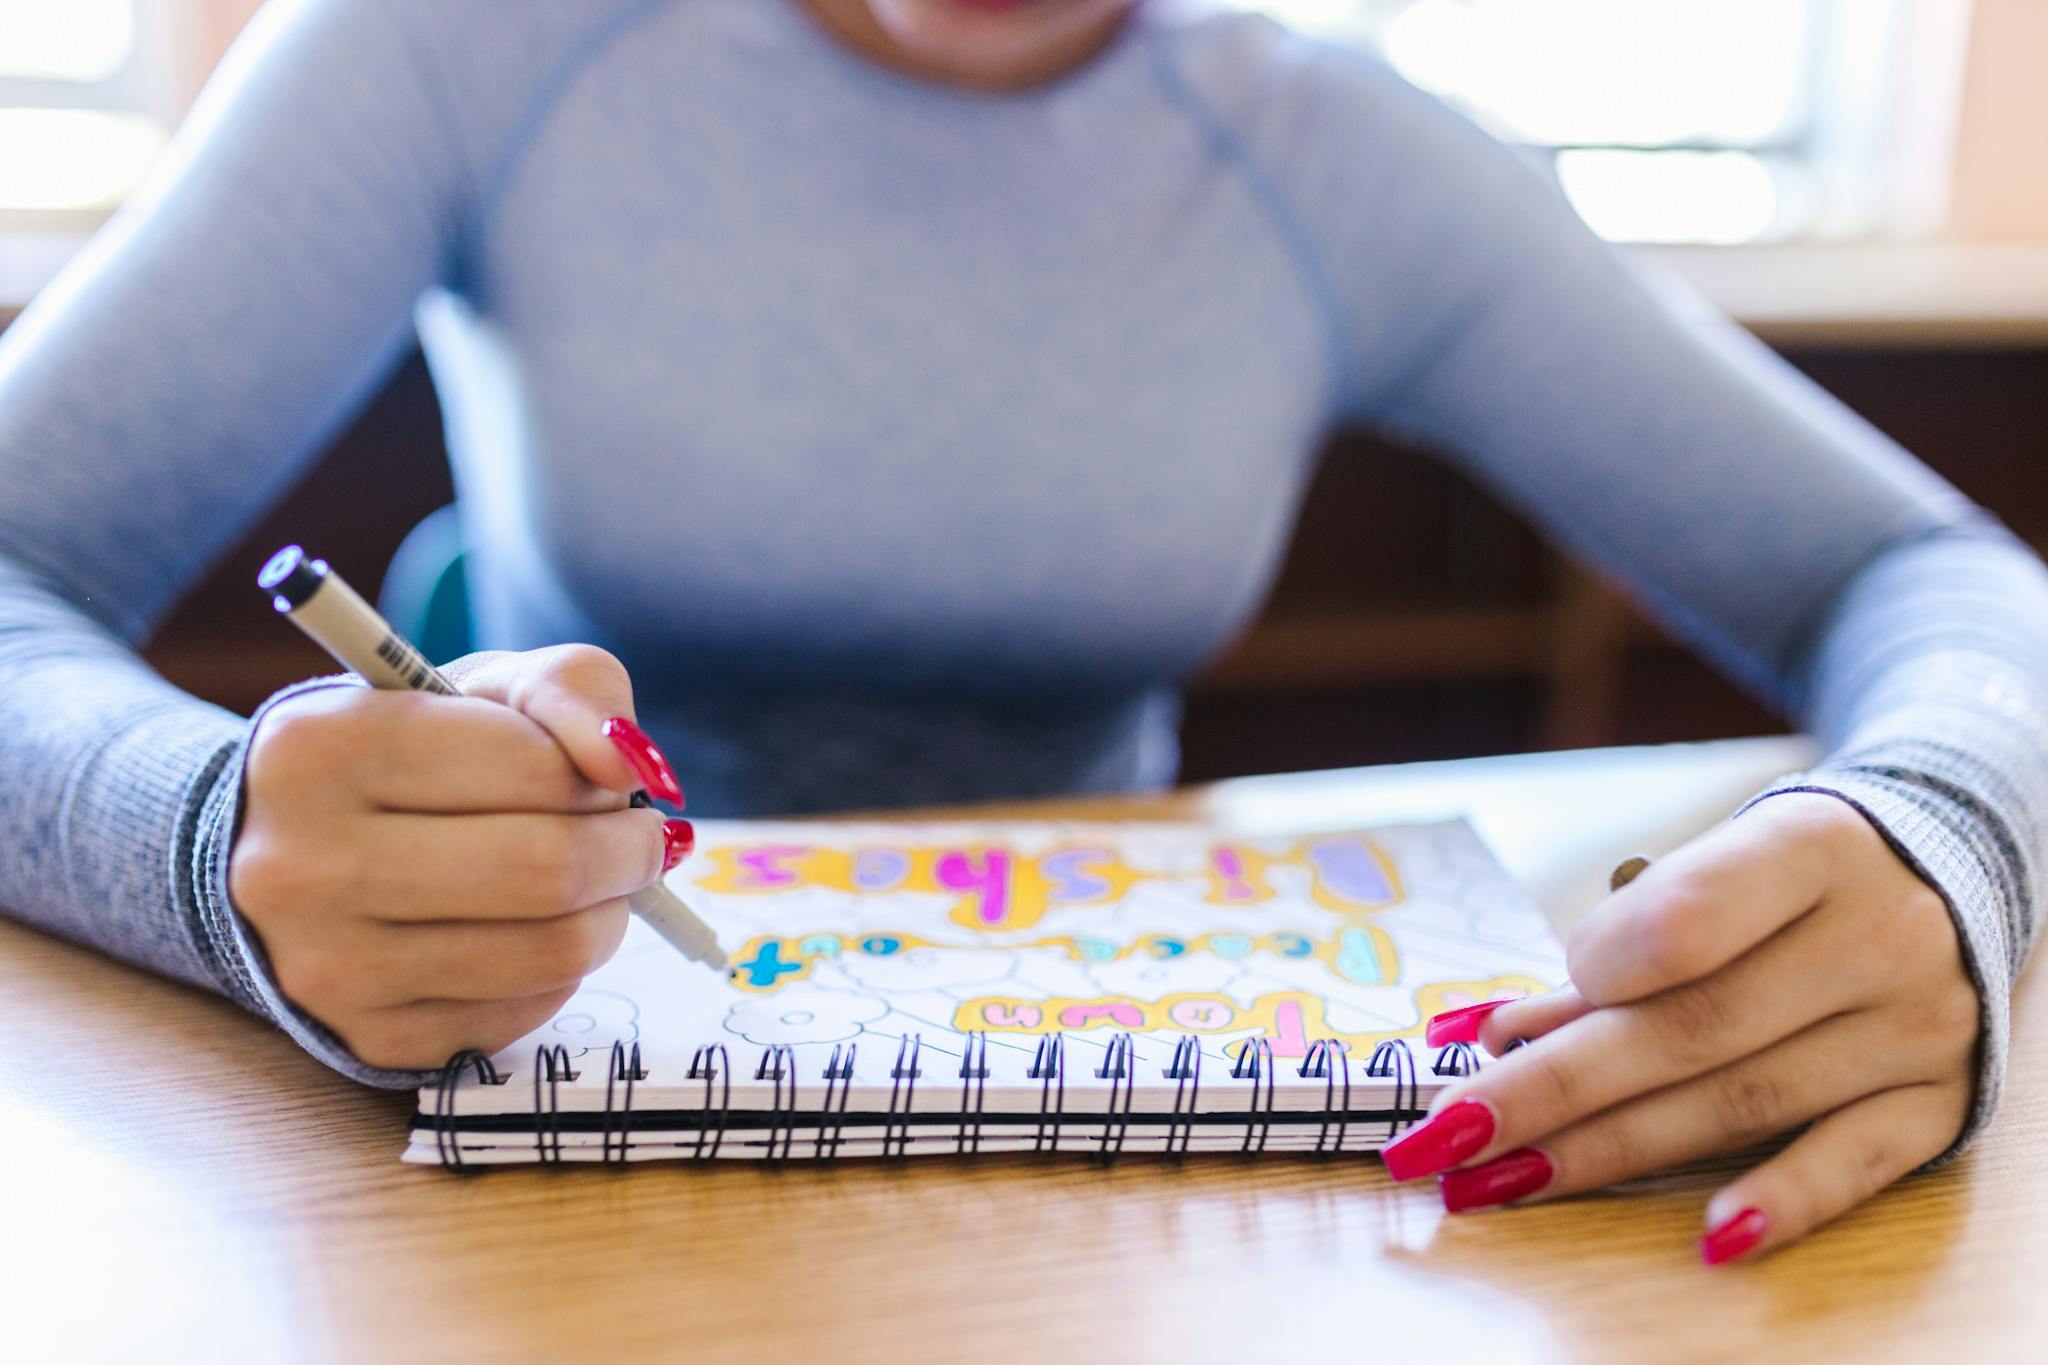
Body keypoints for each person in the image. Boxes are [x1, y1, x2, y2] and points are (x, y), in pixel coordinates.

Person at [0, 0, 2039, 1264]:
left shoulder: (1331, 146)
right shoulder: (455, 45)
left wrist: (1945, 825)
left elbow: (1931, 577)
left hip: (1156, 1194)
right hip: (498, 1177)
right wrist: (204, 836)